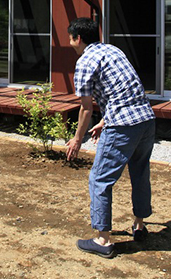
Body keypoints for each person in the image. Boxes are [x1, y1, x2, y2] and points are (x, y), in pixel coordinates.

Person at [65, 17, 156, 258]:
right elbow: (123, 89)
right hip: (146, 119)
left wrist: (76, 140)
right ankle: (139, 226)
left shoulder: (84, 62)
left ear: (77, 38)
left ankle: (103, 240)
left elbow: (85, 108)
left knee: (99, 179)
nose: (69, 41)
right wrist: (103, 122)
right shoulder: (113, 50)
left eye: (70, 36)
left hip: (123, 125)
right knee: (139, 171)